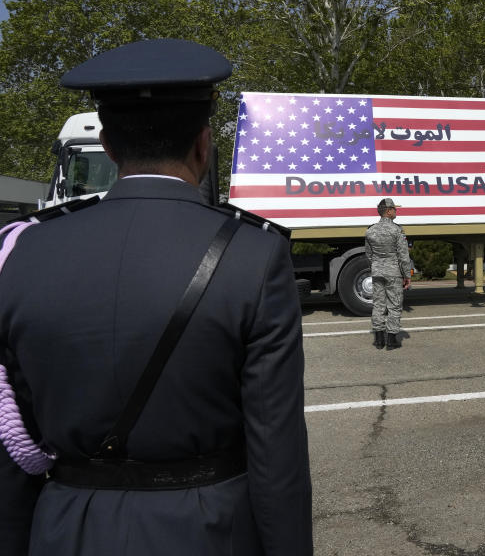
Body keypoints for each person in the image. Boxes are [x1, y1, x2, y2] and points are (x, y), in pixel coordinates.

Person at [0, 39, 312, 556]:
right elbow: (275, 451)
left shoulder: (21, 252)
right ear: (203, 144)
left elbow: (12, 447)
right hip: (209, 528)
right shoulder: (253, 255)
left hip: (64, 526)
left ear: (108, 145)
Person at [365, 198, 412, 350]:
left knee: (378, 304)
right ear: (389, 211)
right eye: (395, 209)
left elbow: (369, 254)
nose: (396, 211)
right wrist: (407, 276)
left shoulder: (370, 230)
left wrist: (377, 266)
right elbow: (403, 256)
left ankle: (378, 340)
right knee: (394, 305)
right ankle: (391, 340)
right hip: (393, 273)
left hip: (377, 271)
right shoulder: (397, 230)